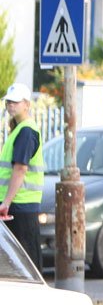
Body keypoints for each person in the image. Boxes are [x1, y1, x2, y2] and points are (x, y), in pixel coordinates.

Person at [1, 83, 44, 269]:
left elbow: (20, 169)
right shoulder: (19, 129)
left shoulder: (26, 131)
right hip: (18, 205)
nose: (11, 106)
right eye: (9, 102)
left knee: (25, 263)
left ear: (26, 104)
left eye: (16, 102)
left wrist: (6, 203)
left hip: (20, 205)